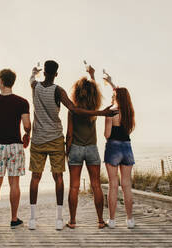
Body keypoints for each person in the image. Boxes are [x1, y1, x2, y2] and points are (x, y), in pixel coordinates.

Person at [28, 60, 118, 230]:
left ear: (45, 72)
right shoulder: (67, 94)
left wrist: (34, 71)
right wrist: (100, 111)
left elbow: (31, 78)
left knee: (66, 185)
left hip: (52, 142)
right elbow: (84, 98)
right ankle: (93, 221)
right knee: (89, 184)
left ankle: (66, 220)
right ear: (56, 74)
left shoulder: (35, 87)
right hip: (77, 145)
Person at [0, 69, 31, 229]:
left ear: (1, 81)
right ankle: (13, 219)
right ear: (13, 81)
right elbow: (27, 126)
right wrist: (28, 133)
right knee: (14, 183)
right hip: (15, 145)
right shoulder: (22, 102)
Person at [65, 65, 105, 229]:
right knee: (96, 185)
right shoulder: (94, 109)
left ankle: (73, 221)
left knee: (74, 186)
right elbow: (95, 93)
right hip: (91, 149)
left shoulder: (73, 110)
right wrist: (92, 75)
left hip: (75, 148)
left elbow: (69, 134)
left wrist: (67, 151)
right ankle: (101, 221)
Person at [103, 74, 136, 229]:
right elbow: (118, 92)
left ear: (116, 97)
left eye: (113, 95)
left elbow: (107, 135)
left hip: (113, 147)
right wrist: (110, 82)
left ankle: (112, 220)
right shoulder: (129, 112)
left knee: (113, 185)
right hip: (127, 148)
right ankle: (130, 220)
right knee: (126, 185)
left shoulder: (112, 112)